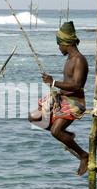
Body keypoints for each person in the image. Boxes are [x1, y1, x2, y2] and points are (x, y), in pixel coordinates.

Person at [29, 21, 89, 176]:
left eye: (59, 45)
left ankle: (84, 156)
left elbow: (77, 86)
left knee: (55, 131)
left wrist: (53, 82)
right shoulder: (69, 59)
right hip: (61, 97)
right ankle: (67, 135)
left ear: (66, 43)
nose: (59, 48)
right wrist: (54, 85)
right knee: (33, 118)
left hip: (73, 100)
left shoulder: (79, 60)